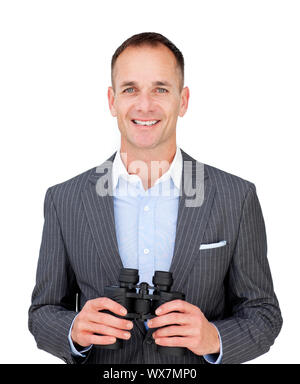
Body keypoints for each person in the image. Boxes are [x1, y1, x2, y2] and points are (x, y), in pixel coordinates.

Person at [28, 32, 282, 364]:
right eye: (130, 89)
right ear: (111, 100)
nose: (144, 105)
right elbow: (42, 312)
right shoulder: (65, 200)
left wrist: (213, 338)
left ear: (184, 100)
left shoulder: (235, 197)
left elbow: (263, 314)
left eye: (160, 89)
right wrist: (74, 329)